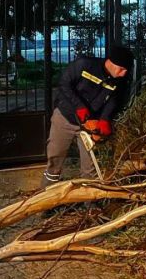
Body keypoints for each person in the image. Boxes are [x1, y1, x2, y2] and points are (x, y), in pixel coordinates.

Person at [42, 45, 134, 186]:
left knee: (91, 165)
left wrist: (104, 119)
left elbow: (114, 101)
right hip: (65, 117)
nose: (123, 74)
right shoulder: (84, 65)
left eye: (126, 71)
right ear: (110, 62)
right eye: (121, 69)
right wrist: (79, 106)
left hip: (90, 124)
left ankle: (89, 196)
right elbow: (64, 84)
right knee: (55, 157)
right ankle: (45, 192)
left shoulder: (119, 81)